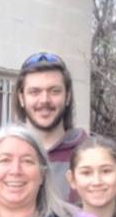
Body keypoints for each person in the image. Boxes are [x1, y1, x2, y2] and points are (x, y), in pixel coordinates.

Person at [13, 52, 87, 202]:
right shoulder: (0, 156)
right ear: (21, 98)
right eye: (35, 92)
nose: (44, 100)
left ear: (67, 97)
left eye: (54, 91)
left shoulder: (90, 155)